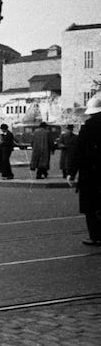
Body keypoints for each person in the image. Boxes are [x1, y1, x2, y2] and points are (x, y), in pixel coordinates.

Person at [68, 96, 101, 246]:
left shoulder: (87, 128)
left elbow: (78, 152)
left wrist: (71, 172)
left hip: (90, 175)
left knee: (91, 207)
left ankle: (95, 236)